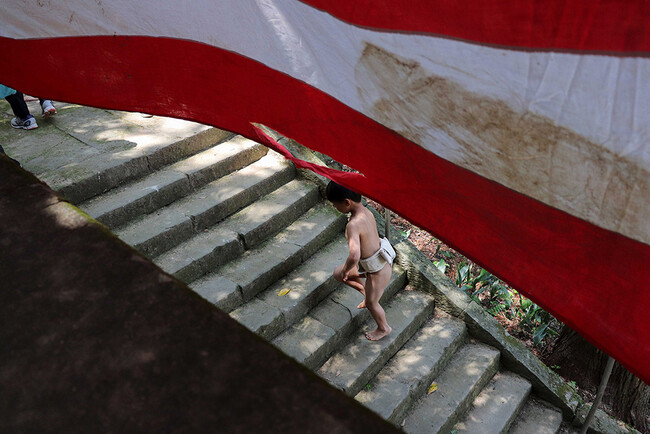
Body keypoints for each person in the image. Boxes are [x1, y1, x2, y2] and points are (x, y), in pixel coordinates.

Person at [326, 181, 396, 341]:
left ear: (346, 202)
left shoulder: (353, 225)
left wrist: (347, 269)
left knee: (372, 304)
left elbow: (354, 255)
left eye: (335, 204)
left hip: (378, 272)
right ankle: (366, 293)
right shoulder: (367, 212)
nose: (335, 207)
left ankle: (383, 327)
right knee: (338, 274)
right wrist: (344, 271)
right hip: (375, 264)